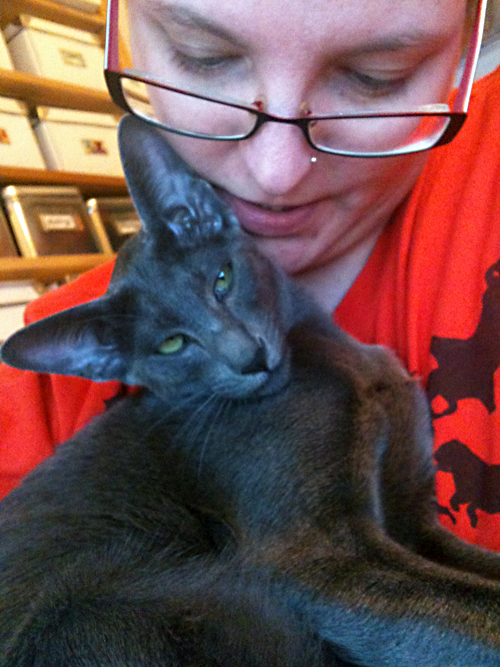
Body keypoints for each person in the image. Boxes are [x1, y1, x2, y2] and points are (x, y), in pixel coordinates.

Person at [1, 0, 499, 550]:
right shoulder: (47, 400)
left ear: (469, 34)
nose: (276, 174)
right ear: (117, 21)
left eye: (376, 76)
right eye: (203, 56)